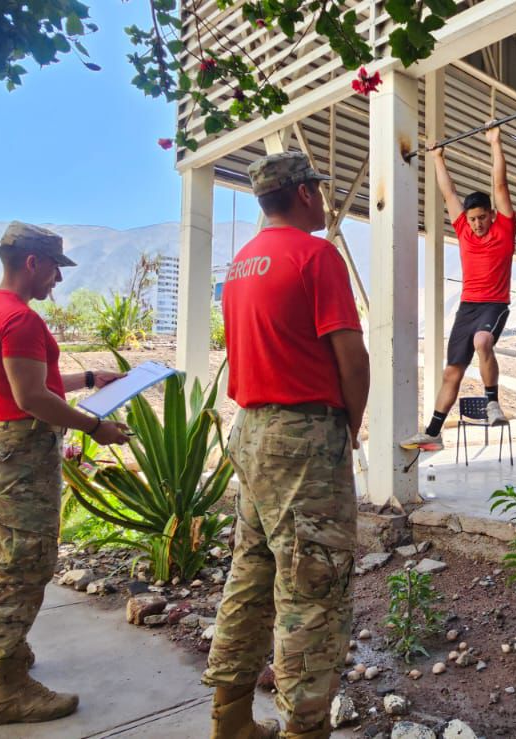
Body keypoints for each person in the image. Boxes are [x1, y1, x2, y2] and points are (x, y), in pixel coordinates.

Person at [205, 152, 371, 739]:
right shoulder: (316, 255)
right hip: (303, 437)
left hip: (250, 432)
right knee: (312, 589)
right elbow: (350, 355)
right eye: (319, 190)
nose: (322, 200)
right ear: (303, 194)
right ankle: (304, 728)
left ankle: (229, 720)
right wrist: (352, 426)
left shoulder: (241, 263)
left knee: (250, 574)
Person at [0, 222, 131, 726]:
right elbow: (31, 398)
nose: (57, 279)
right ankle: (7, 689)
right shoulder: (22, 320)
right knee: (21, 565)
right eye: (55, 268)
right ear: (33, 262)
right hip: (24, 454)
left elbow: (30, 380)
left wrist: (93, 379)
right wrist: (96, 426)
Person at [402, 128, 515, 452]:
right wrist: (438, 157)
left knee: (483, 341)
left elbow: (500, 186)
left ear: (492, 215)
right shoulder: (464, 229)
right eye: (473, 218)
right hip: (467, 307)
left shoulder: (504, 229)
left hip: (494, 305)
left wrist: (495, 143)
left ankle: (492, 402)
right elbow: (448, 192)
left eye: (482, 217)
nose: (477, 223)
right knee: (452, 371)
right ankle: (434, 430)